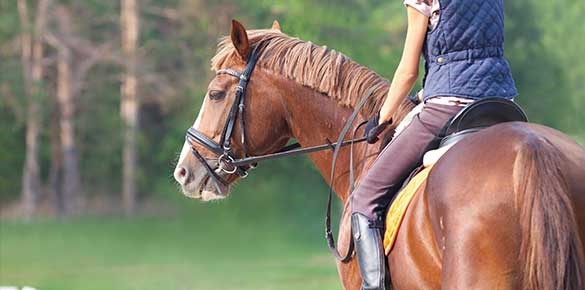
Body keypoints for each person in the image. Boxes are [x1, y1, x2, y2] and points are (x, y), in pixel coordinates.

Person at [350, 0, 518, 289]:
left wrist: (382, 116)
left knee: (364, 199)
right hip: (502, 104)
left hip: (449, 107)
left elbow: (407, 72)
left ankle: (374, 286)